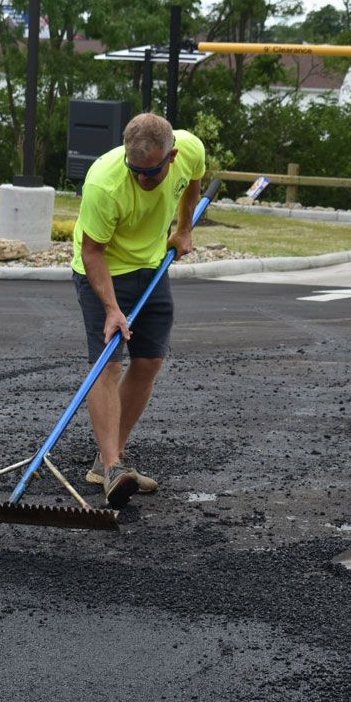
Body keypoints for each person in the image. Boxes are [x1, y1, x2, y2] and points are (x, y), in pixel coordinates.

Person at [71, 113, 205, 508]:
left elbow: (194, 181)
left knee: (148, 360)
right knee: (108, 363)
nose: (143, 179)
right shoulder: (104, 183)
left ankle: (109, 458)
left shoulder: (190, 150)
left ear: (172, 156)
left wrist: (184, 229)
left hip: (150, 266)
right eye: (136, 171)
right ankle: (113, 467)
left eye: (152, 172)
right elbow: (91, 251)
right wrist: (112, 309)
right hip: (104, 270)